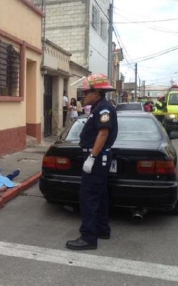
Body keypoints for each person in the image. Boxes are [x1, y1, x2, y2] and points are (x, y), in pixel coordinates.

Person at [66, 74, 118, 250]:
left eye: (86, 92)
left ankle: (88, 237)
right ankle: (102, 229)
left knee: (88, 197)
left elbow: (103, 134)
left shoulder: (103, 109)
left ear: (97, 92)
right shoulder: (98, 107)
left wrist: (92, 157)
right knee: (100, 195)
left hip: (96, 158)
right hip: (98, 158)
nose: (84, 95)